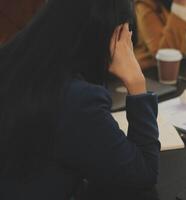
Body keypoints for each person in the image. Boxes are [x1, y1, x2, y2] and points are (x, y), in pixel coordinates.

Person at [0, 0, 160, 200]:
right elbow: (143, 173)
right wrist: (137, 84)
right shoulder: (78, 99)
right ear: (115, 35)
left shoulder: (18, 62)